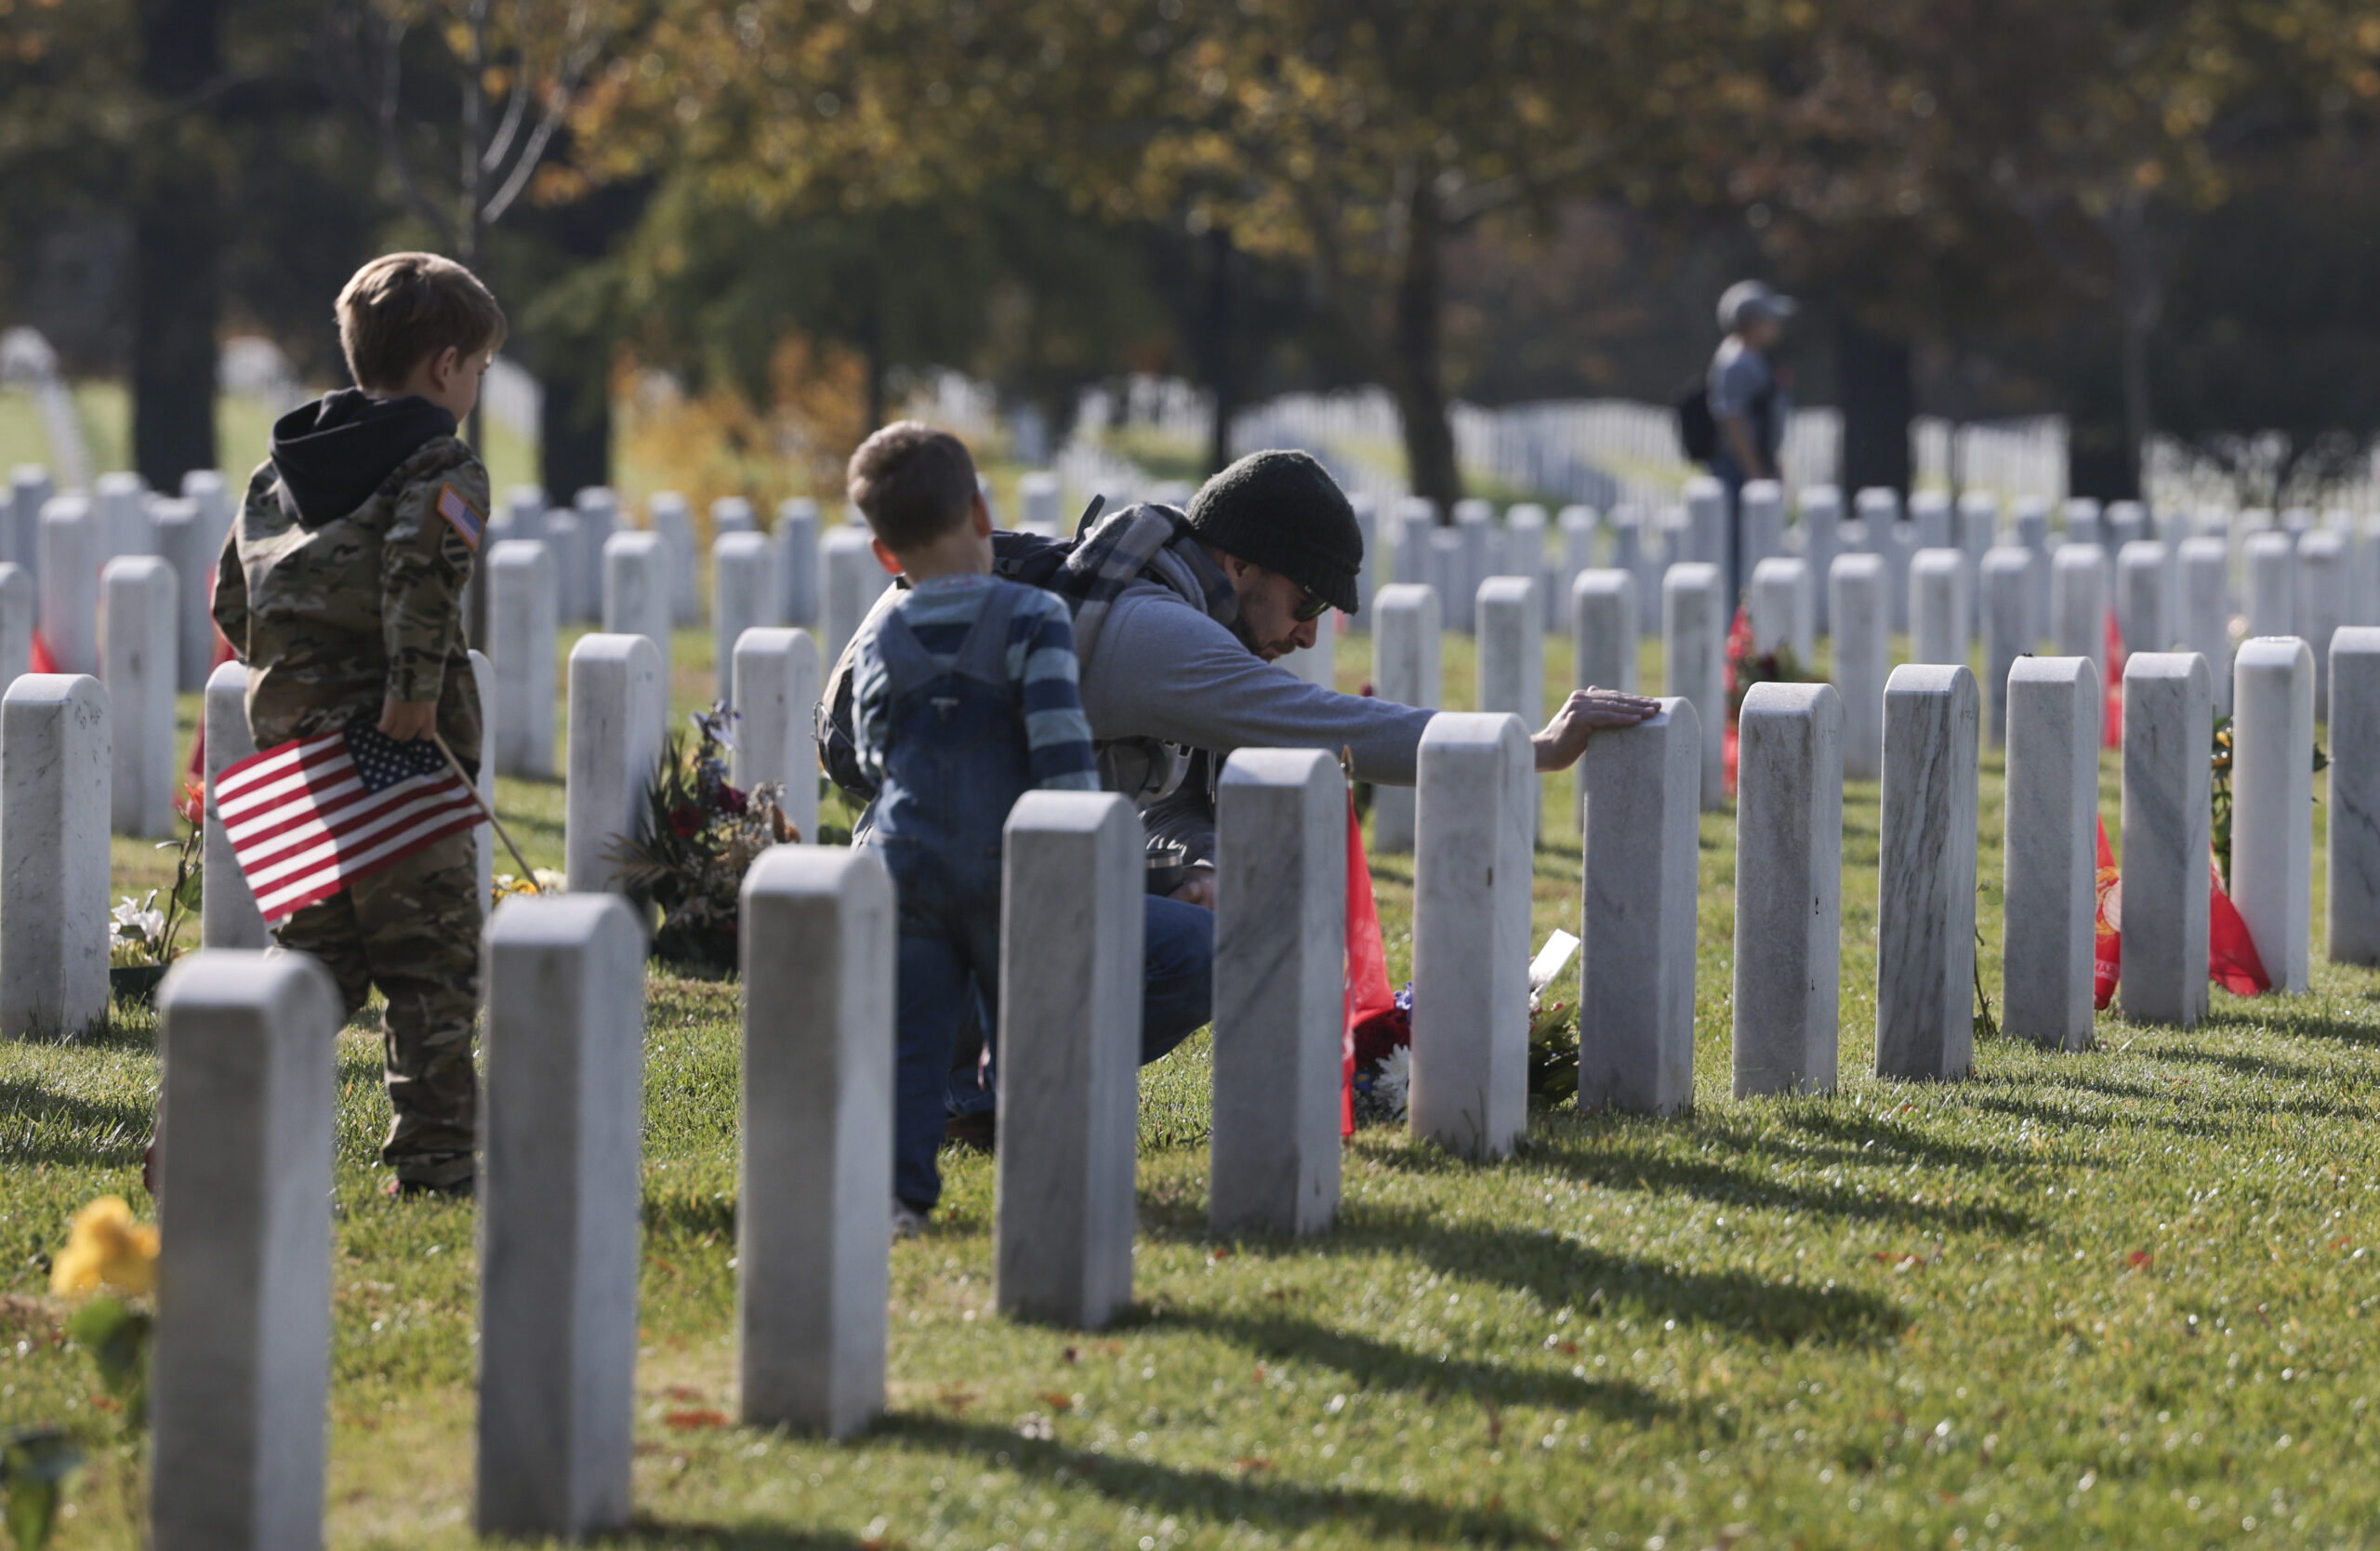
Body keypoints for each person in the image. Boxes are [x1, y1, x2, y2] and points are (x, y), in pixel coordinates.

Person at [210, 251, 501, 1198]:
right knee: (431, 968)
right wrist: (411, 700)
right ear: (447, 366)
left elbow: (230, 599)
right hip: (396, 747)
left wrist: (299, 680)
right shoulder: (442, 461)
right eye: (482, 369)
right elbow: (420, 574)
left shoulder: (278, 471)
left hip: (301, 753)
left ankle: (215, 1122)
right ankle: (434, 1161)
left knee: (315, 966)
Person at [842, 422, 1103, 1236]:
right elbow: (1063, 755)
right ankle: (1044, 1186)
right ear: (982, 512)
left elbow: (869, 746)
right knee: (1029, 1031)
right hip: (1010, 867)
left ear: (886, 555)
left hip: (906, 864)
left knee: (910, 1042)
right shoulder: (1034, 618)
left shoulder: (884, 630)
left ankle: (901, 1199)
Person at [1707, 279, 1795, 601]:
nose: (1776, 326)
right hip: (1739, 470)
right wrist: (1755, 470)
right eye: (1769, 319)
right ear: (1751, 323)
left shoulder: (1750, 359)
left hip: (1753, 465)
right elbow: (1733, 421)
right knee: (1737, 547)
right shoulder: (1737, 362)